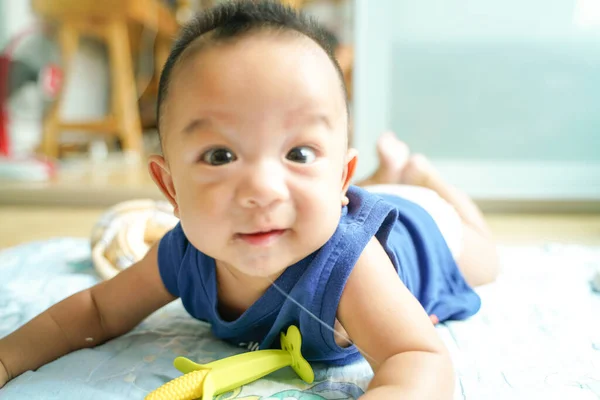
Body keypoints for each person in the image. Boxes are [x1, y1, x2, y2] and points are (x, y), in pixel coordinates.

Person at [0, 1, 499, 398]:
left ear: (339, 177)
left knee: (487, 258)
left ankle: (424, 178)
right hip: (340, 201)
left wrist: (433, 198)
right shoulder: (184, 254)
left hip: (425, 227)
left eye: (299, 152)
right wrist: (7, 358)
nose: (261, 189)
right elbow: (95, 311)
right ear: (170, 188)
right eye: (220, 156)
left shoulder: (351, 266)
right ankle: (383, 173)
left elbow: (419, 360)